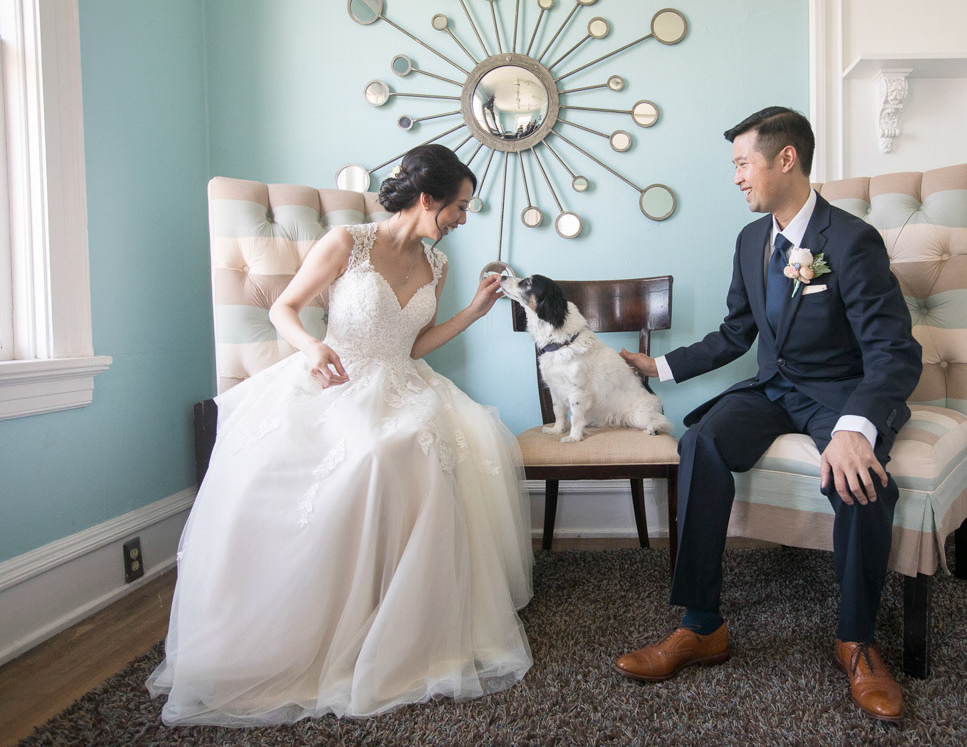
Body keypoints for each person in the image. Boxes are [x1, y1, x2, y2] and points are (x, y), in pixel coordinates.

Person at [147, 144, 533, 726]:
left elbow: (416, 345)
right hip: (338, 377)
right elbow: (284, 308)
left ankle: (408, 616)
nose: (462, 218)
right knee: (374, 450)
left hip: (404, 382)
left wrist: (475, 312)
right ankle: (337, 618)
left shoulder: (439, 267)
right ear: (427, 199)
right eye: (459, 206)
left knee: (428, 439)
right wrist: (311, 346)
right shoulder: (346, 242)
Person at [616, 107, 922, 722]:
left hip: (840, 395)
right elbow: (736, 332)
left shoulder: (852, 240)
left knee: (860, 479)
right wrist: (662, 366)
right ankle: (702, 624)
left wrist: (856, 429)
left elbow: (894, 351)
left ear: (786, 159)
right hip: (774, 388)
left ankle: (856, 640)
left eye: (742, 163)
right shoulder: (751, 241)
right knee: (700, 442)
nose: (736, 177)